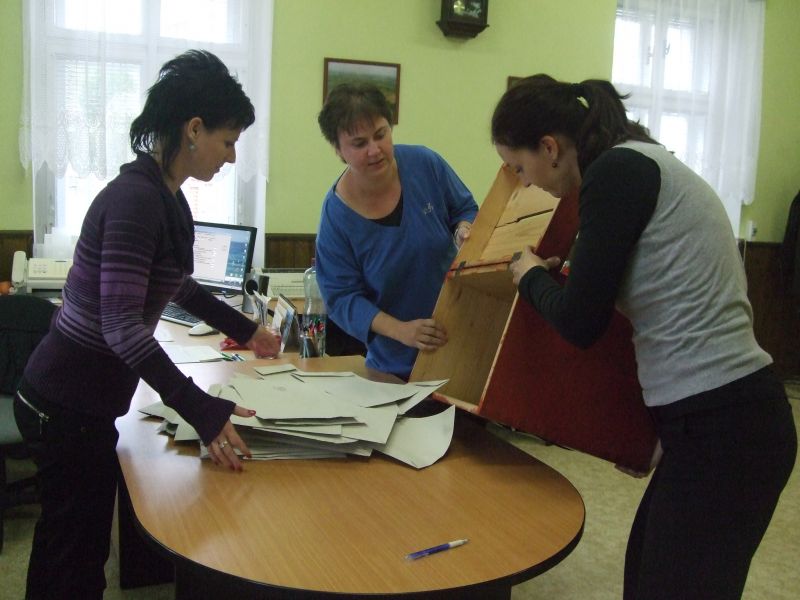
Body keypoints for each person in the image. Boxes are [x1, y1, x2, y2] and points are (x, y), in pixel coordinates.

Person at [494, 75, 797, 600]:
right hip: (715, 420)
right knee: (647, 577)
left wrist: (530, 276)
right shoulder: (634, 162)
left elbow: (581, 323)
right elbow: (655, 301)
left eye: (519, 168)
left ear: (550, 147)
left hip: (727, 424)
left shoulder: (615, 172)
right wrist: (654, 432)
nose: (525, 182)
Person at [13, 50, 280, 599]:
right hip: (63, 404)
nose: (232, 157)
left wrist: (248, 330)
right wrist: (201, 409)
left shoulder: (165, 197)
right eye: (229, 141)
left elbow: (177, 285)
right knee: (72, 555)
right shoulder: (137, 200)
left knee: (75, 544)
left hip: (81, 401)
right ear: (194, 129)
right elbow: (121, 327)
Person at [315, 83, 479, 379]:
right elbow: (342, 299)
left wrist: (463, 229)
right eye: (359, 143)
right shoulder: (336, 216)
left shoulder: (425, 164)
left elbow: (465, 209)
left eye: (381, 135)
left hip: (461, 343)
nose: (374, 150)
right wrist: (402, 331)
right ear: (338, 150)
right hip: (394, 365)